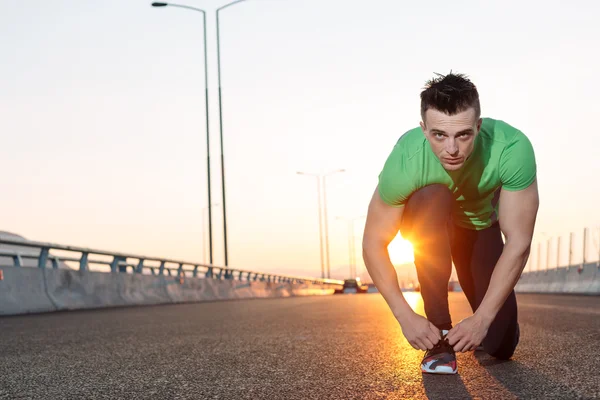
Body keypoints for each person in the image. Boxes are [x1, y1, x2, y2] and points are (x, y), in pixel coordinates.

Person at [362, 72, 539, 374]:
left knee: (500, 345)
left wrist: (482, 319)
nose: (452, 149)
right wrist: (405, 316)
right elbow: (373, 243)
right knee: (431, 196)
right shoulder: (406, 159)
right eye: (439, 135)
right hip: (431, 224)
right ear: (424, 129)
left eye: (463, 135)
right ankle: (439, 339)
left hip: (479, 228)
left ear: (478, 127)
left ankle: (493, 329)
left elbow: (519, 242)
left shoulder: (512, 148)